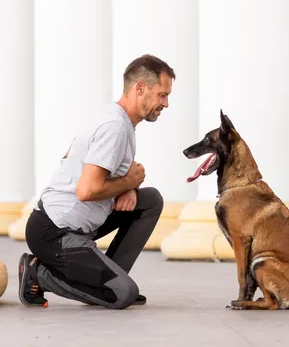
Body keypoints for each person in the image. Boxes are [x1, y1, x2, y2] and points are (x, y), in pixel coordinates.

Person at [18, 54, 175, 309]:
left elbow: (101, 173)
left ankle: (109, 280)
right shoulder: (114, 126)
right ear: (140, 88)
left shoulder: (119, 121)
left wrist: (131, 187)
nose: (166, 103)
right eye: (162, 95)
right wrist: (128, 182)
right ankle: (39, 274)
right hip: (55, 233)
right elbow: (87, 189)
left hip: (80, 223)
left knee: (150, 200)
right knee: (123, 294)